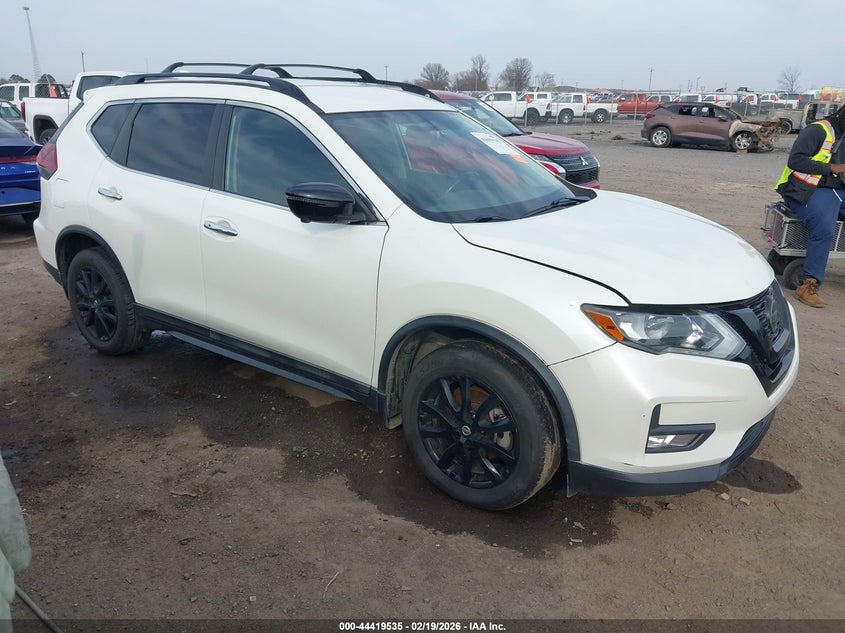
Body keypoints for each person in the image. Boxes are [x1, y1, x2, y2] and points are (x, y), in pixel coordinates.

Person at [776, 104, 845, 307]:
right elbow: (796, 160)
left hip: (836, 190)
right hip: (803, 189)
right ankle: (808, 284)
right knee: (824, 229)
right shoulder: (818, 130)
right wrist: (831, 167)